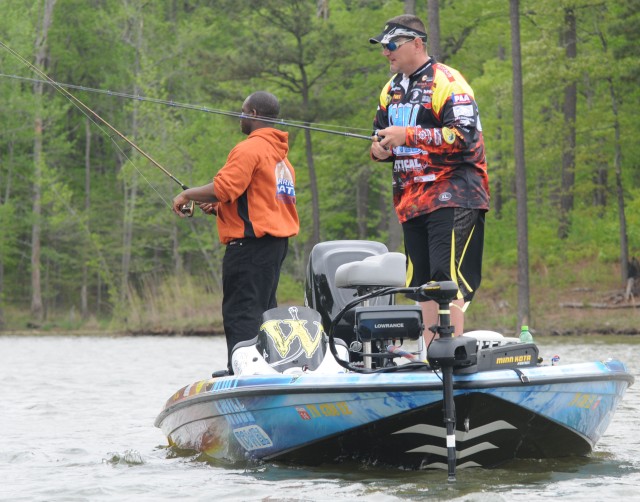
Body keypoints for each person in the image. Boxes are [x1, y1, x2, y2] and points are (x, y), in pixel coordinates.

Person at [368, 15, 490, 344]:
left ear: (417, 44)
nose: (386, 53)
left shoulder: (448, 81)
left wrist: (406, 133)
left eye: (391, 45)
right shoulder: (390, 90)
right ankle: (431, 358)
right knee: (422, 285)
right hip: (411, 200)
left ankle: (450, 357)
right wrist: (380, 149)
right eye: (382, 47)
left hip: (454, 193)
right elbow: (381, 138)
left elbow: (464, 137)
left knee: (445, 279)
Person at [172, 91, 299, 374]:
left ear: (253, 114)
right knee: (265, 313)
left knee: (241, 312)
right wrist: (221, 210)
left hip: (250, 248)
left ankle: (243, 372)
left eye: (243, 112)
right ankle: (268, 369)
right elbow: (264, 204)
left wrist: (187, 195)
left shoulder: (249, 149)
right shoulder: (280, 157)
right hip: (274, 246)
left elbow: (223, 188)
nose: (240, 117)